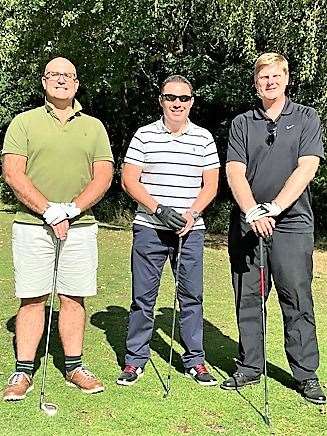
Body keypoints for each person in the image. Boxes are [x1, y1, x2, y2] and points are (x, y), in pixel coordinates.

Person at [2, 57, 114, 401]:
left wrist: (73, 208)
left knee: (73, 297)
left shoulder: (93, 126)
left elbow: (104, 174)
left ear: (77, 84)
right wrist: (49, 210)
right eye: (55, 75)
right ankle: (23, 371)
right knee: (33, 298)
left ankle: (74, 366)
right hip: (32, 224)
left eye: (68, 76)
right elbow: (13, 173)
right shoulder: (23, 123)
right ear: (44, 81)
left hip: (80, 225)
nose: (61, 80)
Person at [221, 52, 326, 404]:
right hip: (249, 222)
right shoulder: (242, 122)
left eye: (276, 76)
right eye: (263, 77)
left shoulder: (307, 117)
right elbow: (234, 171)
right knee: (248, 297)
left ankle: (306, 374)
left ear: (286, 79)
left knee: (296, 296)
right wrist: (252, 210)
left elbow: (307, 167)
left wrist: (275, 207)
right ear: (255, 83)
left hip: (292, 222)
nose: (270, 82)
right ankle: (250, 366)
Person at [116, 75, 220, 387]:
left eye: (183, 98)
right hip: (149, 228)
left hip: (190, 230)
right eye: (171, 97)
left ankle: (195, 361)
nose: (177, 103)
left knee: (191, 296)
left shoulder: (203, 138)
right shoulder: (144, 135)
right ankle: (135, 360)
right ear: (161, 100)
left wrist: (192, 213)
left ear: (192, 102)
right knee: (143, 298)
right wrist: (158, 209)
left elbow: (211, 184)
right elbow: (129, 180)